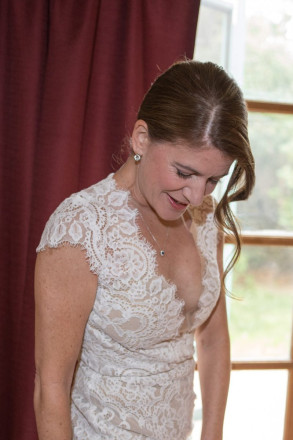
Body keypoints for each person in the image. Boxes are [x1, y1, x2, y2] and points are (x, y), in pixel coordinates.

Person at [34, 59, 255, 440]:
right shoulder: (81, 230)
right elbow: (50, 388)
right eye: (184, 173)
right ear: (141, 138)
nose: (197, 195)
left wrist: (213, 431)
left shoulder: (203, 217)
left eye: (213, 179)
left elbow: (213, 336)